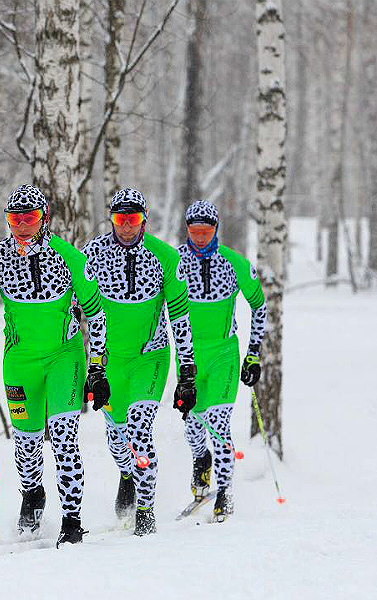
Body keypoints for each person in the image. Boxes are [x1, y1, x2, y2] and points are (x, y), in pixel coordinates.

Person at [0, 185, 110, 548]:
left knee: (63, 438)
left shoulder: (69, 257)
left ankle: (72, 520)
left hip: (65, 357)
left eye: (30, 218)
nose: (23, 226)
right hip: (20, 362)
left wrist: (97, 369)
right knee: (27, 442)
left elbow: (97, 314)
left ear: (44, 218)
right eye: (16, 219)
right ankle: (32, 494)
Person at [82, 188, 196, 536]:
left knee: (138, 430)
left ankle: (145, 510)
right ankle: (128, 473)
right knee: (117, 440)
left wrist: (187, 370)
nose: (126, 226)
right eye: (120, 219)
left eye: (133, 218)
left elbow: (179, 314)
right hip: (110, 360)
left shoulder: (165, 257)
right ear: (112, 219)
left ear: (144, 218)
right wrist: (92, 367)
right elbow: (77, 306)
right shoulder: (93, 254)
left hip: (151, 356)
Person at [176, 200, 266, 522]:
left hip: (223, 354)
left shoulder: (234, 263)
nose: (200, 237)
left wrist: (253, 353)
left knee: (218, 423)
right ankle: (202, 461)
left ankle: (225, 491)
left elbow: (259, 305)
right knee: (191, 423)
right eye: (194, 231)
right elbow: (151, 304)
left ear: (216, 229)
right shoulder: (174, 261)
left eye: (206, 230)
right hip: (187, 356)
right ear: (186, 229)